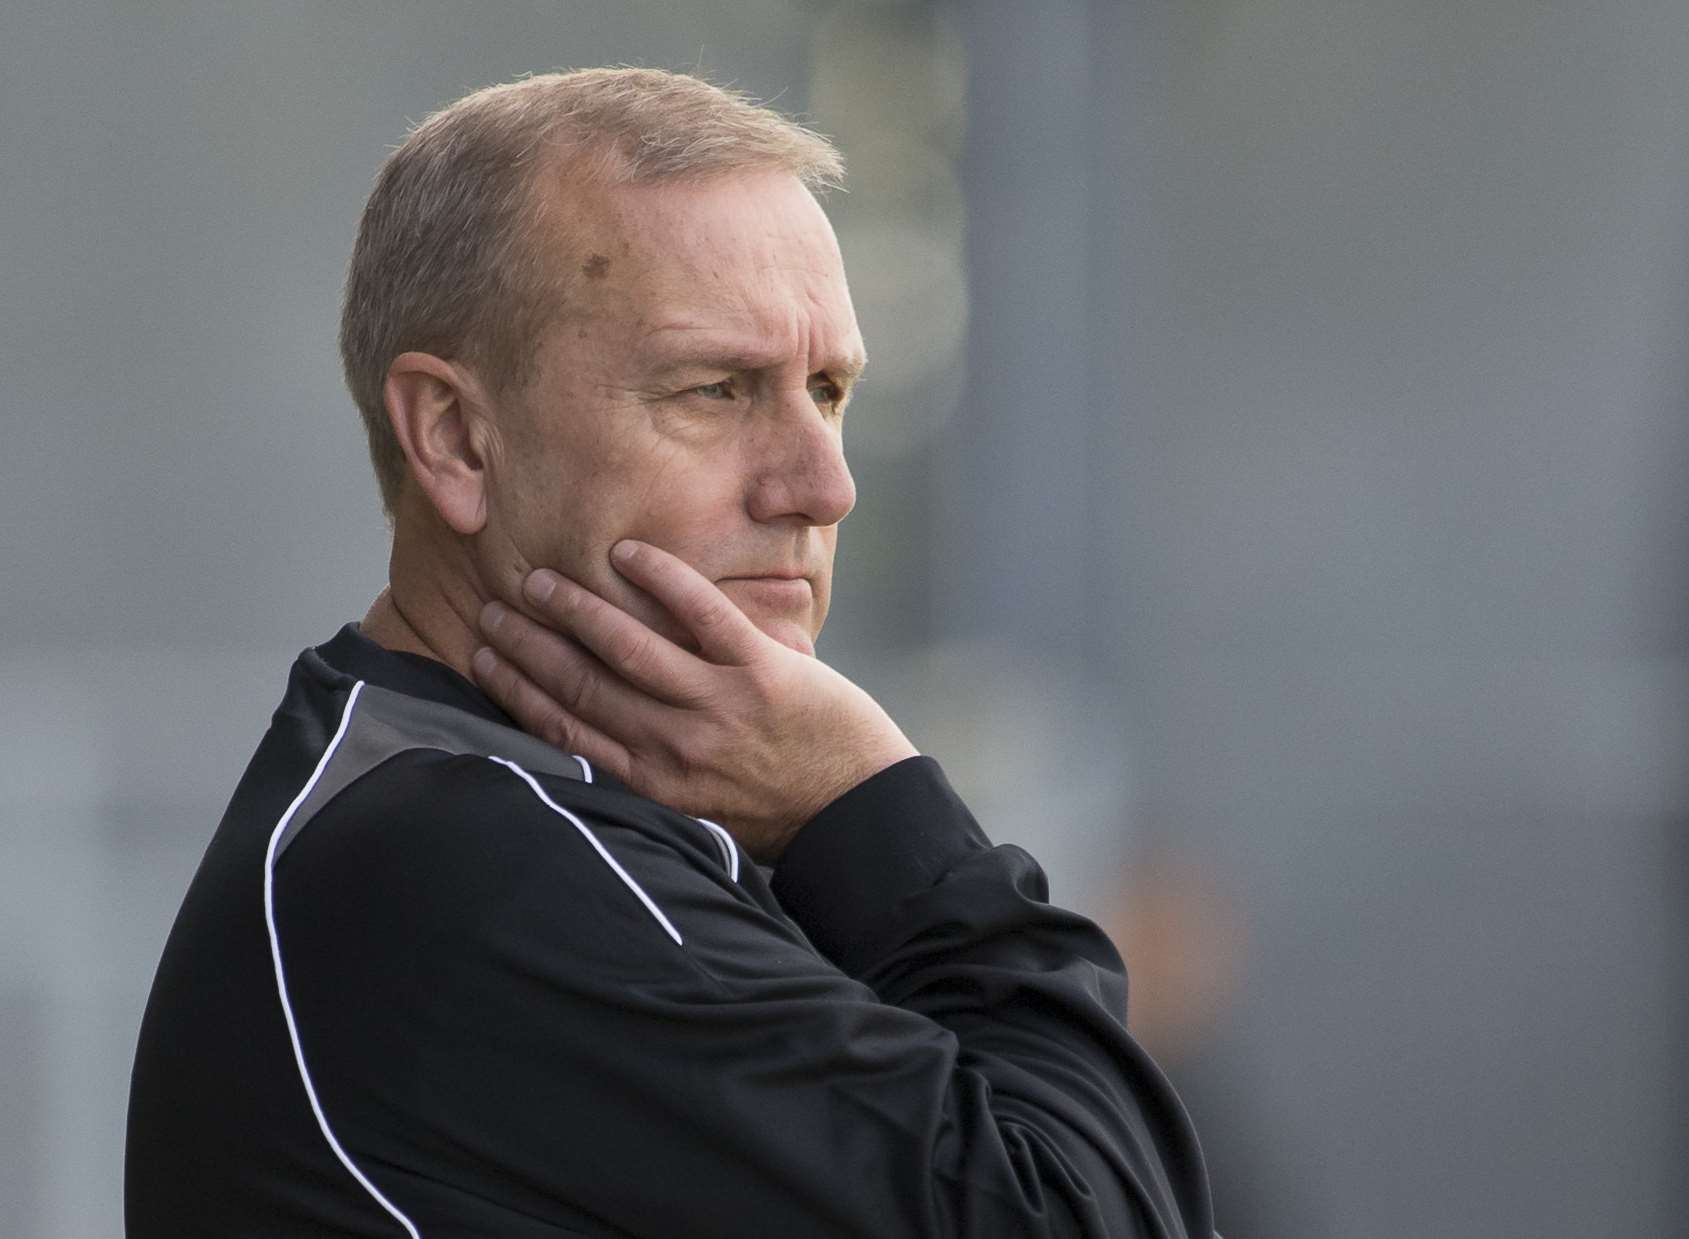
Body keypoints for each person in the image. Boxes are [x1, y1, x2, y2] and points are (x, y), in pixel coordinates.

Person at [125, 68, 1215, 1237]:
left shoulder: (514, 817)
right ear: (454, 438)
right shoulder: (473, 864)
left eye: (831, 391)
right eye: (717, 389)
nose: (823, 486)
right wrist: (874, 804)